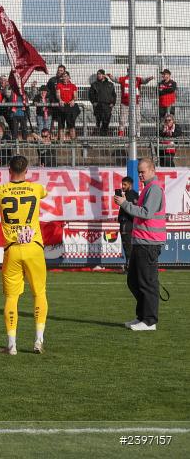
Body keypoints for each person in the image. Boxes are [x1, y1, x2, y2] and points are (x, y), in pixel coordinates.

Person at [0, 155, 49, 355]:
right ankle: (38, 340)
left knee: (11, 296)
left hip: (12, 248)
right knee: (39, 293)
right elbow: (45, 192)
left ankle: (12, 345)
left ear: (9, 170)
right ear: (27, 171)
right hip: (34, 247)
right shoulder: (36, 188)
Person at [114, 158, 165, 331]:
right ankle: (142, 317)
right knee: (133, 281)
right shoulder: (147, 189)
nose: (140, 175)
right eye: (139, 172)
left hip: (149, 242)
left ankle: (150, 321)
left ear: (152, 170)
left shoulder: (154, 189)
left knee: (146, 282)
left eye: (143, 171)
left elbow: (146, 213)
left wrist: (125, 204)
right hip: (141, 241)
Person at [116, 176, 139, 273]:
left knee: (127, 247)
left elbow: (132, 210)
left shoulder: (128, 196)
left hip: (127, 223)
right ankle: (131, 267)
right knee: (130, 247)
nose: (123, 186)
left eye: (125, 184)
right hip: (132, 224)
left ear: (130, 184)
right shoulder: (135, 195)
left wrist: (123, 203)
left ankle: (129, 268)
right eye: (122, 184)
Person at [89, 69, 116, 136]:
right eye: (98, 74)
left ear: (104, 75)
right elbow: (90, 95)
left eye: (100, 74)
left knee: (106, 122)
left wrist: (113, 103)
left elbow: (114, 95)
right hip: (98, 106)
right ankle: (97, 137)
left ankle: (104, 137)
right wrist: (93, 102)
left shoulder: (110, 84)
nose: (98, 75)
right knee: (98, 122)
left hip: (107, 106)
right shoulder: (94, 85)